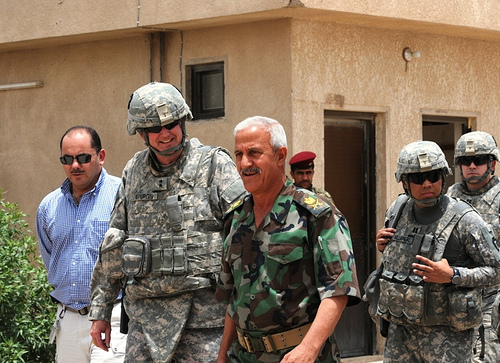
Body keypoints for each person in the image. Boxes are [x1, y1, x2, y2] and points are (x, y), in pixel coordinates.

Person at [89, 82, 246, 362]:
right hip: (144, 323)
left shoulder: (214, 165)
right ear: (140, 133)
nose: (165, 133)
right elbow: (114, 244)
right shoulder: (134, 171)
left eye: (171, 123)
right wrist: (100, 311)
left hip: (205, 322)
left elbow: (246, 237)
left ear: (183, 120)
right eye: (154, 128)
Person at [215, 116, 361, 362]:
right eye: (238, 154)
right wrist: (221, 356)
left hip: (296, 356)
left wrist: (309, 349)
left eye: (254, 153)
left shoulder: (316, 214)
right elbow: (234, 297)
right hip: (244, 355)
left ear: (280, 156)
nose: (244, 163)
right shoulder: (237, 217)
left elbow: (339, 289)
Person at [375, 140, 500, 363]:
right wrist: (385, 245)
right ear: (404, 182)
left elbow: (496, 270)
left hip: (448, 339)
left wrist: (453, 275)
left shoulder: (466, 219)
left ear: (443, 177)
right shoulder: (397, 210)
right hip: (401, 335)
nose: (426, 184)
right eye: (417, 178)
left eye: (433, 176)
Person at [36, 126, 126, 362]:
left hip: (112, 317)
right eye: (67, 159)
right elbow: (51, 260)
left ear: (101, 156)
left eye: (84, 158)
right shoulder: (49, 206)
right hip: (68, 320)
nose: (75, 165)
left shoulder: (122, 196)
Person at [447, 131, 500, 362]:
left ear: (492, 164)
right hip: (454, 297)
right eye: (464, 161)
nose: (471, 166)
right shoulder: (451, 196)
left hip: (491, 300)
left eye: (478, 161)